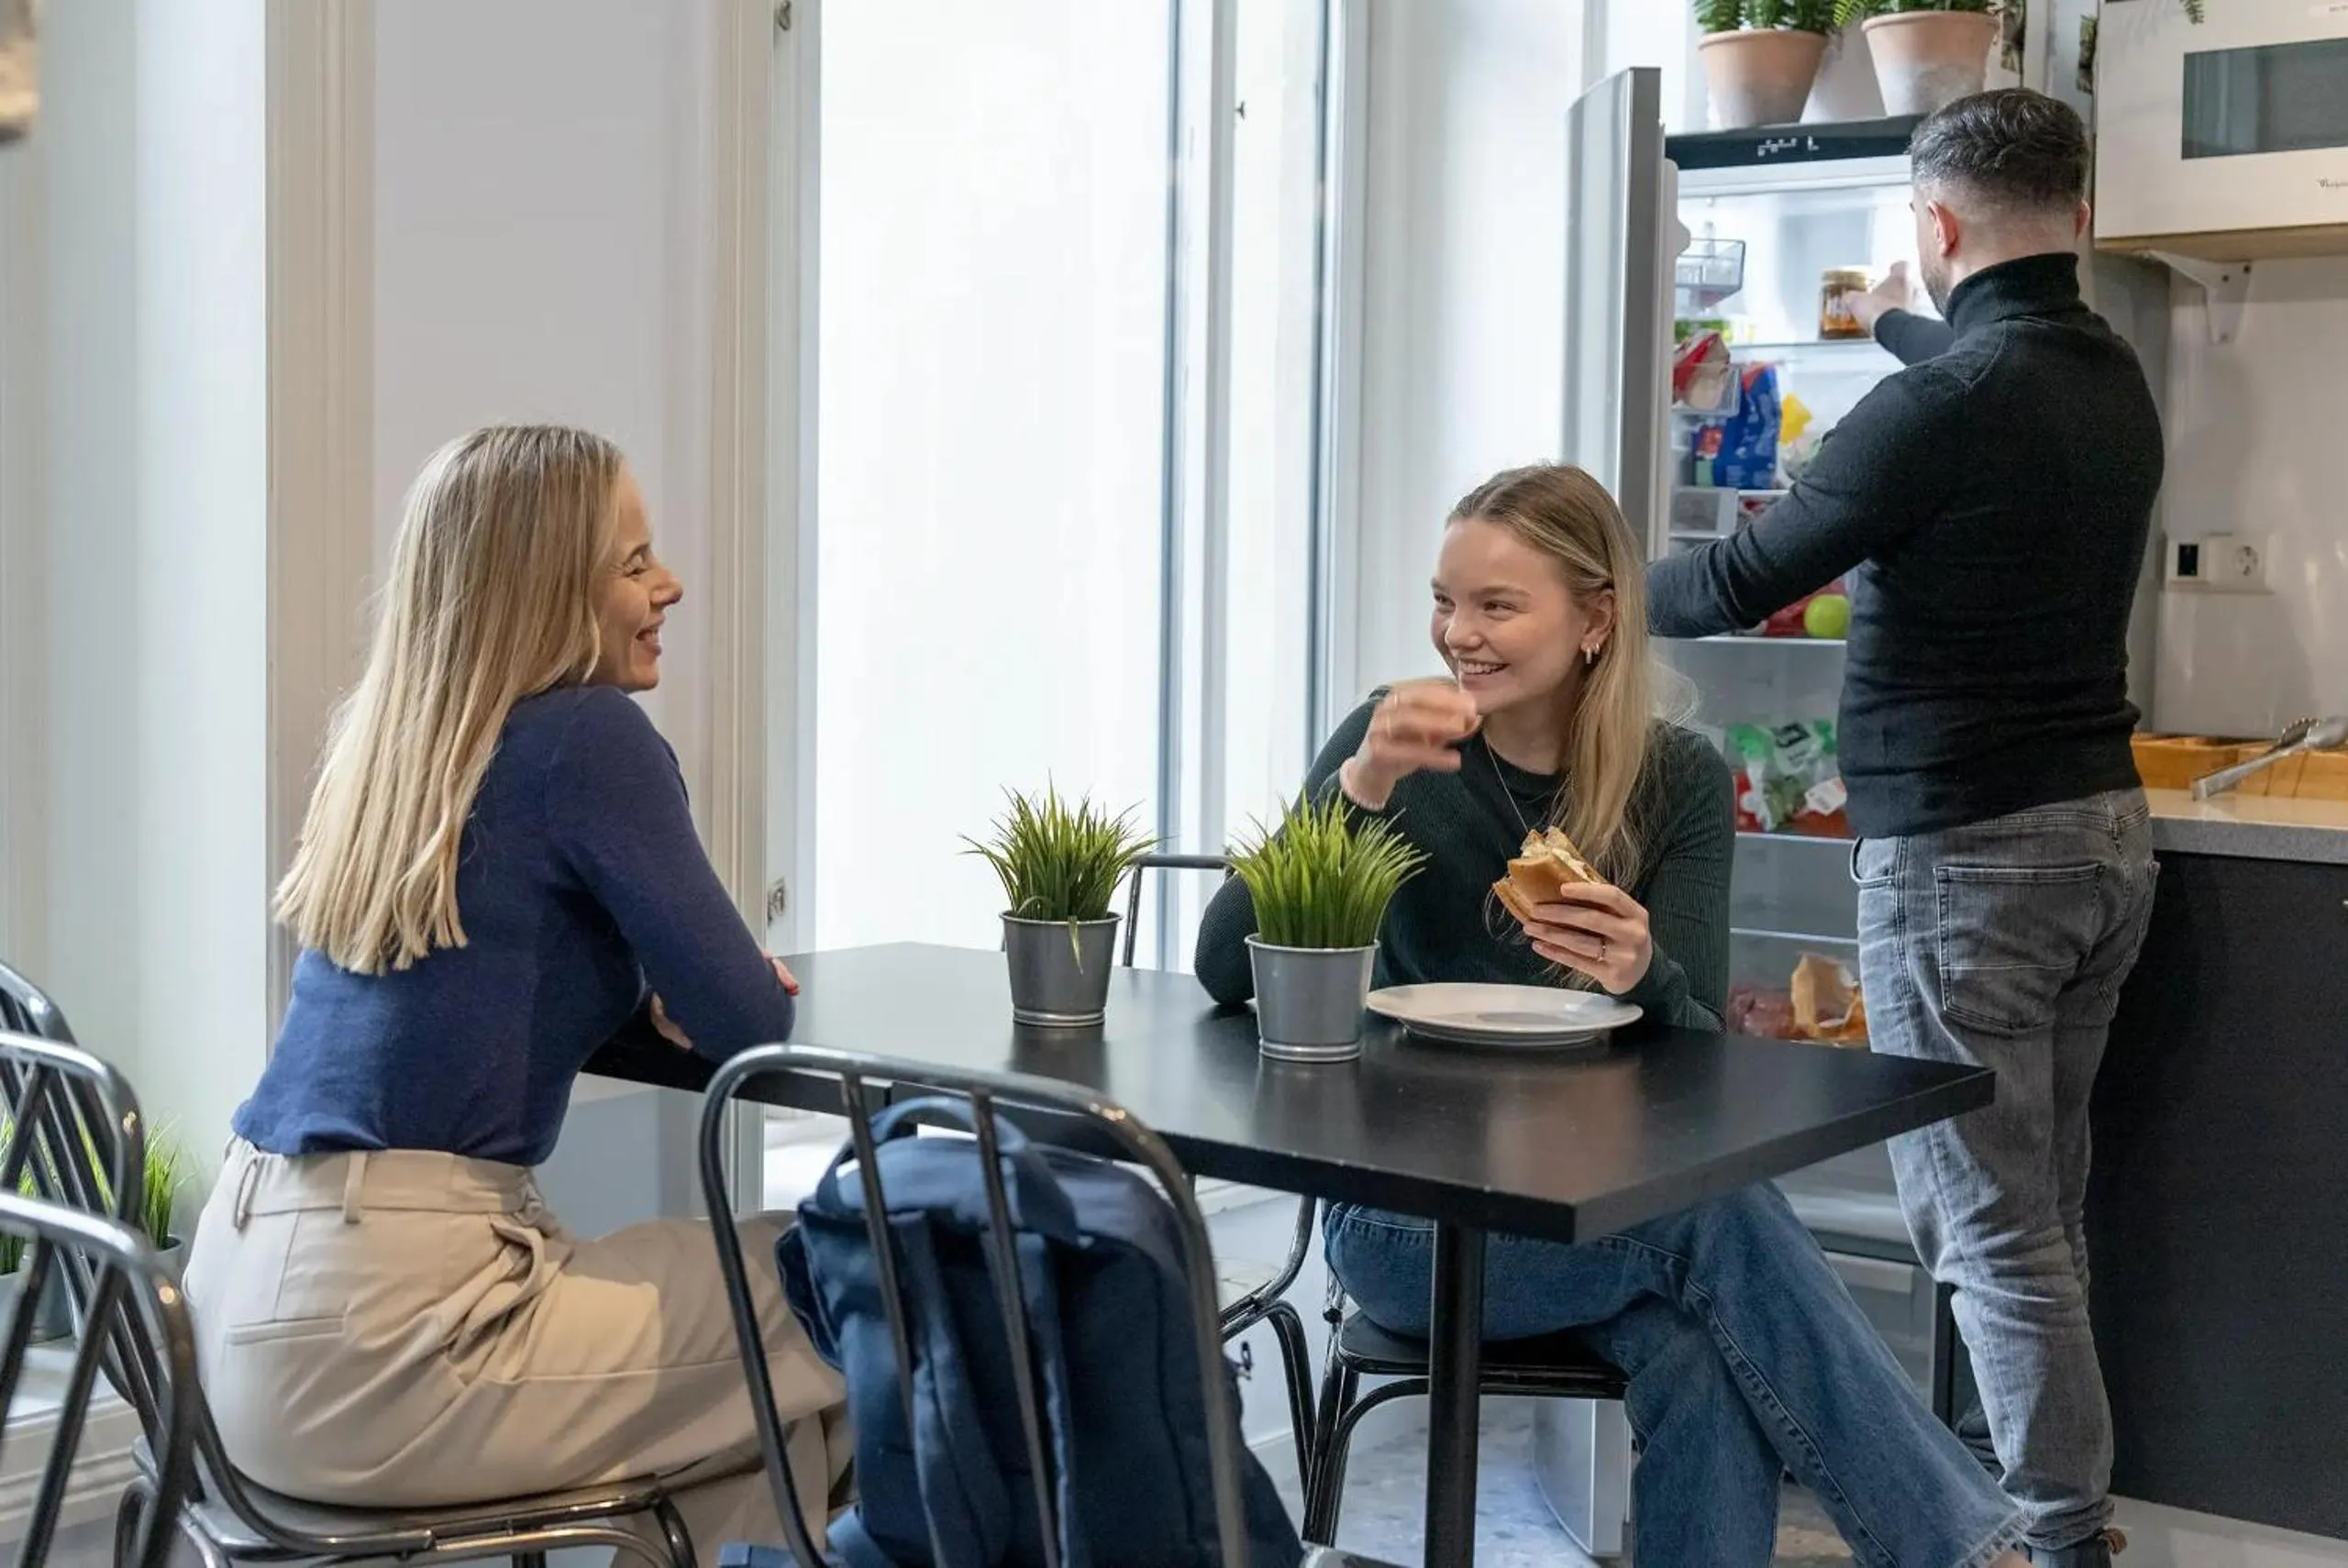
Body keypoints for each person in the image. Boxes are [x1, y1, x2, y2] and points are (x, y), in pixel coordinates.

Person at [1196, 463, 2027, 1568]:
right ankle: (1975, 1554)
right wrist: (1352, 792)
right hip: (1407, 1217)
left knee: (1698, 1341)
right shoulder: (1389, 744)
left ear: (1594, 620)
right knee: (1713, 1219)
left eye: (1496, 605)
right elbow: (1220, 968)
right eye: (1445, 600)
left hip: (1601, 1199)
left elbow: (1698, 1071)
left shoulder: (1676, 778)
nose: (1458, 634)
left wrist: (1638, 969)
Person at [1648, 90, 2162, 1568]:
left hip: (1968, 856)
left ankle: (2051, 1537)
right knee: (2040, 1208)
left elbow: (1745, 576)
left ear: (1934, 225)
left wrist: (1601, 580)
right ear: (2077, 213)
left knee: (1984, 1226)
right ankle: (2057, 1507)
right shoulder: (2103, 374)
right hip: (2100, 842)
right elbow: (1973, 364)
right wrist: (1892, 325)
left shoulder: (1941, 407)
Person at [183, 425, 848, 1564]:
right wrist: (679, 985)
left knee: (745, 1385)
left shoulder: (401, 747)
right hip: (399, 1331)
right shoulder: (588, 737)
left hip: (235, 1314)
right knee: (861, 1279)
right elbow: (748, 1021)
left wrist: (639, 988)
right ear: (550, 592)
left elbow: (485, 960)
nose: (669, 585)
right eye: (633, 564)